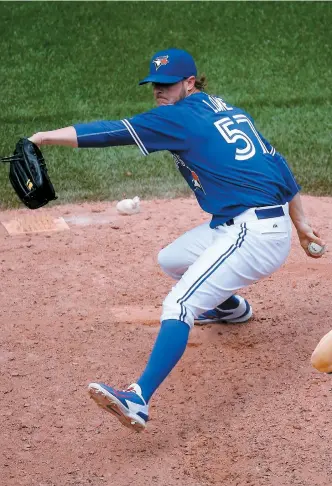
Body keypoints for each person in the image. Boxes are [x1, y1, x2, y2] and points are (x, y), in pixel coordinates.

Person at [28, 48, 325, 432]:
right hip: (242, 224)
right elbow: (276, 161)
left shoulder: (179, 117)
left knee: (180, 302)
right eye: (154, 84)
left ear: (189, 83)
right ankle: (230, 308)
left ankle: (138, 399)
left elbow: (111, 132)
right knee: (171, 259)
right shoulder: (226, 110)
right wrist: (300, 223)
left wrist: (44, 137)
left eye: (167, 85)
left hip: (254, 234)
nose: (159, 91)